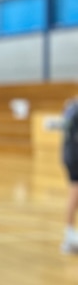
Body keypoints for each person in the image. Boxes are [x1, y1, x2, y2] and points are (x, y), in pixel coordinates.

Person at [61, 95, 78, 254]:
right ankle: (69, 235)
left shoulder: (71, 105)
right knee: (75, 191)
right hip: (75, 155)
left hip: (68, 154)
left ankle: (70, 234)